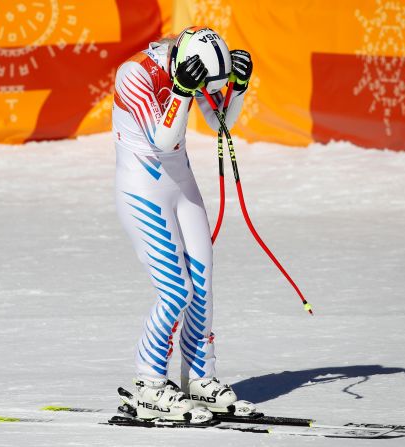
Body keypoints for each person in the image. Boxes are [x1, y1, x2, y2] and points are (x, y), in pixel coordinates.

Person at [112, 25, 254, 423]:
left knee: (203, 283)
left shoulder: (191, 69)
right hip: (143, 189)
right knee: (176, 290)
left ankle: (199, 378)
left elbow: (219, 121)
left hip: (181, 184)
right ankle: (149, 384)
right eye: (201, 84)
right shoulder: (134, 73)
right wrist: (178, 91)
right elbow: (161, 141)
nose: (202, 90)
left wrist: (237, 89)